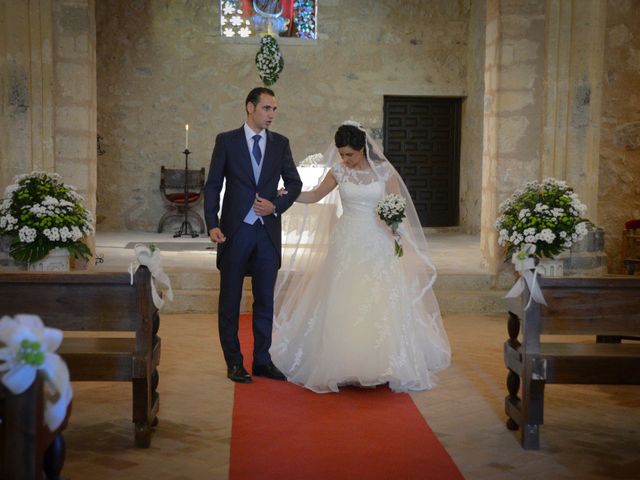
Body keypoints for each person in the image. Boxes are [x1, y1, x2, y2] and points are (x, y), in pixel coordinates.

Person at [271, 121, 451, 393]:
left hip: (377, 241)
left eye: (350, 155)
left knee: (378, 298)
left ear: (362, 149)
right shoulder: (339, 171)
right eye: (342, 154)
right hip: (346, 241)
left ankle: (381, 364)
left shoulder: (384, 171)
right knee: (343, 297)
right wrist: (290, 196)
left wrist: (393, 224)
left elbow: (397, 205)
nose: (345, 159)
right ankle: (342, 363)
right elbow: (316, 195)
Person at [204, 87, 302, 383]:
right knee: (230, 302)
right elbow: (212, 185)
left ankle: (262, 360)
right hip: (235, 232)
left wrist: (276, 205)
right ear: (250, 107)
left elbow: (294, 183)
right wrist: (212, 222)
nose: (271, 114)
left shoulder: (280, 144)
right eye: (267, 108)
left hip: (267, 234)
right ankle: (234, 362)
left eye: (274, 109)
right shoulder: (226, 141)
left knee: (265, 302)